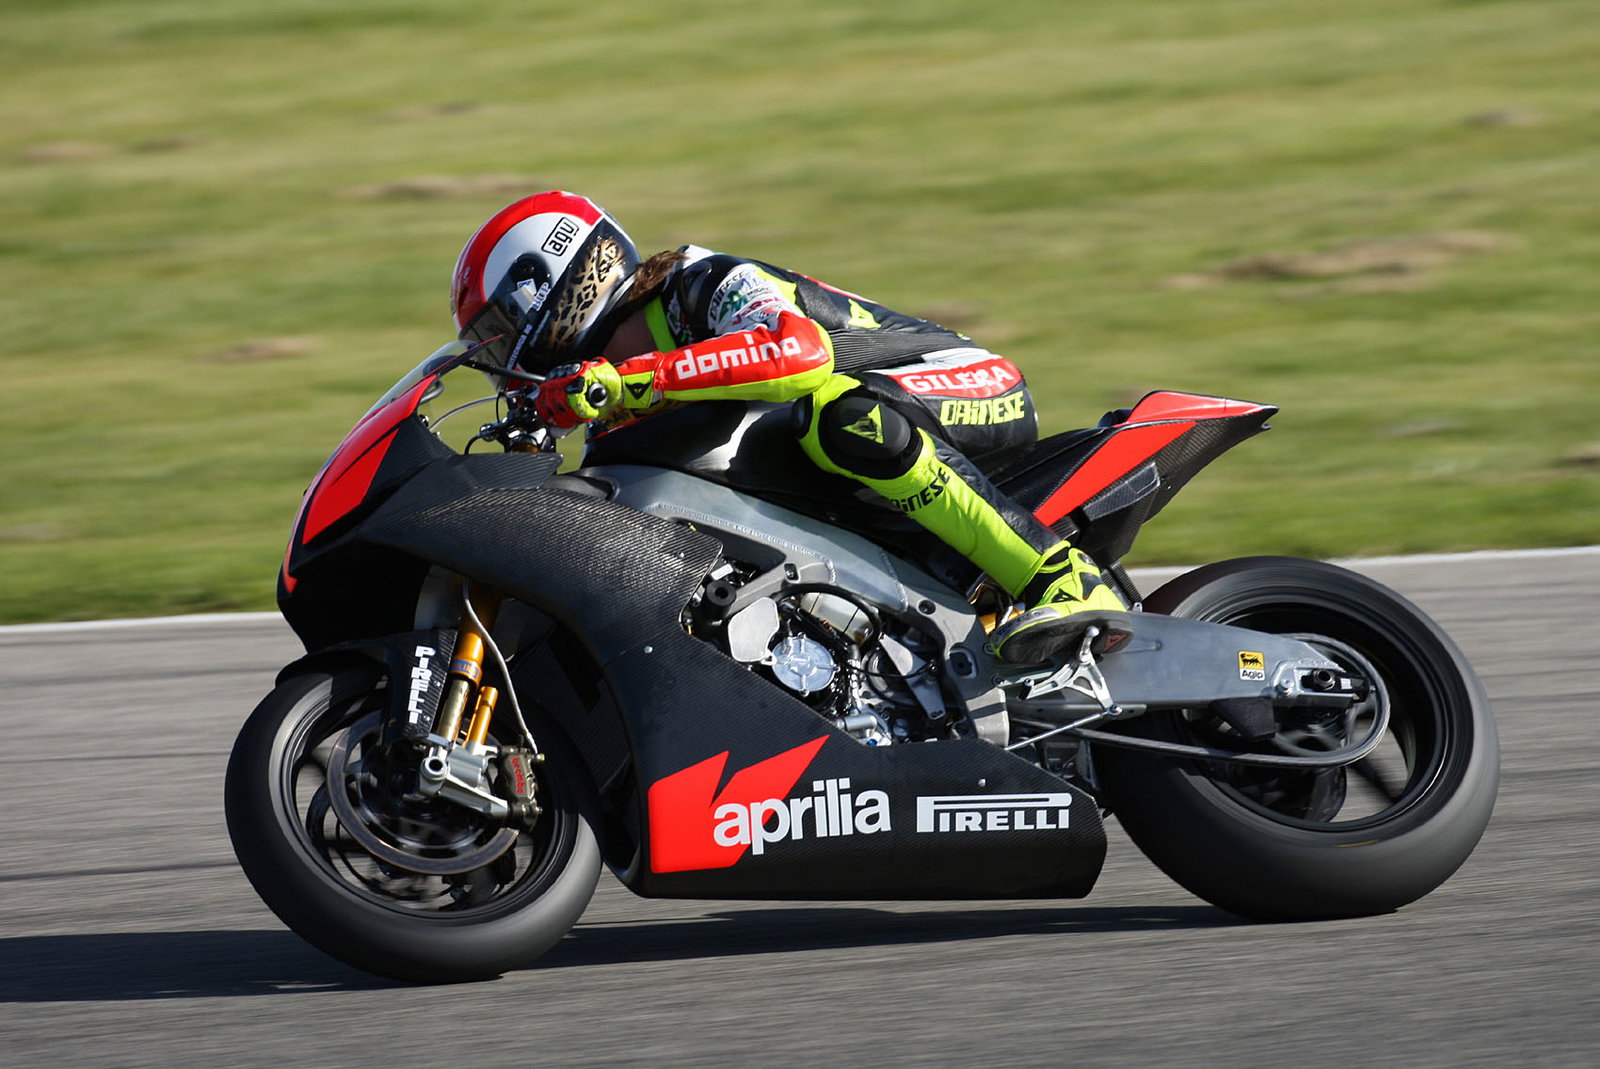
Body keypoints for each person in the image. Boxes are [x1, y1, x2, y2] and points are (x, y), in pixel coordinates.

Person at [450, 190, 1129, 663]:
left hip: (967, 382)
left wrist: (632, 379)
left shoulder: (700, 282)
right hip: (872, 456)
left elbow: (798, 353)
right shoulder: (614, 419)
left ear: (556, 289)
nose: (502, 362)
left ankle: (1060, 578)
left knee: (842, 418)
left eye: (500, 334)